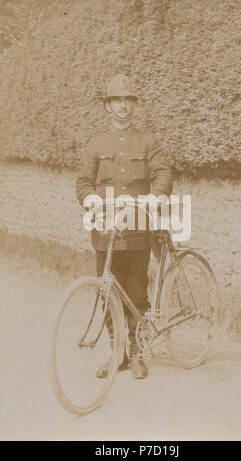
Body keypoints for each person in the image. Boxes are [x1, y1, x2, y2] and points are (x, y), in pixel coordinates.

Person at [76, 74, 172, 379]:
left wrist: (154, 197)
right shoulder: (96, 144)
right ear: (108, 106)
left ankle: (137, 354)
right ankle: (116, 353)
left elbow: (163, 176)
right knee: (106, 294)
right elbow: (82, 183)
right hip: (105, 234)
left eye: (128, 100)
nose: (123, 106)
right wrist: (90, 198)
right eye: (117, 100)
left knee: (137, 292)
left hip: (138, 232)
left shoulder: (148, 141)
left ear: (134, 105)